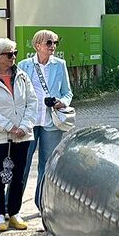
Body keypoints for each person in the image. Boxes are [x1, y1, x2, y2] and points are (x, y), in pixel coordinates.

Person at [0, 37, 35, 232]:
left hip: (22, 135)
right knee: (0, 175)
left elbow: (32, 103)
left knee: (19, 175)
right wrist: (9, 126)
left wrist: (24, 126)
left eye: (15, 53)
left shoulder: (23, 76)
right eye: (9, 54)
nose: (13, 57)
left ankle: (15, 212)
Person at [20, 29, 73, 210]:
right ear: (37, 45)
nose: (53, 46)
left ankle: (42, 203)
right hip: (29, 121)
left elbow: (67, 92)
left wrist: (62, 102)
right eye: (49, 42)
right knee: (22, 163)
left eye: (55, 42)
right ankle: (11, 206)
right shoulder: (24, 65)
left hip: (52, 121)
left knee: (48, 165)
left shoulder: (60, 64)